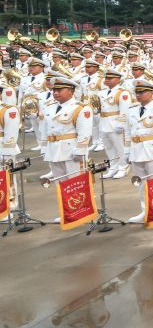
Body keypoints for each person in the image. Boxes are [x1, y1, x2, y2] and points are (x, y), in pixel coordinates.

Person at [43, 77, 93, 224]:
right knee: (61, 184)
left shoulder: (80, 108)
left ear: (71, 91)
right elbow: (46, 130)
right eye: (54, 90)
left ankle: (82, 211)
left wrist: (80, 150)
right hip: (54, 150)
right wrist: (45, 148)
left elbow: (84, 132)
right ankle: (67, 211)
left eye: (60, 90)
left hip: (71, 150)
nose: (56, 93)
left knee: (76, 182)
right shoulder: (50, 107)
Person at [124, 80, 153, 223]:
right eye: (137, 92)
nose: (138, 95)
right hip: (136, 150)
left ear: (151, 93)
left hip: (152, 150)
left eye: (142, 92)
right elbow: (128, 132)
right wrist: (127, 151)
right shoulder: (132, 110)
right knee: (141, 183)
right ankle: (145, 210)